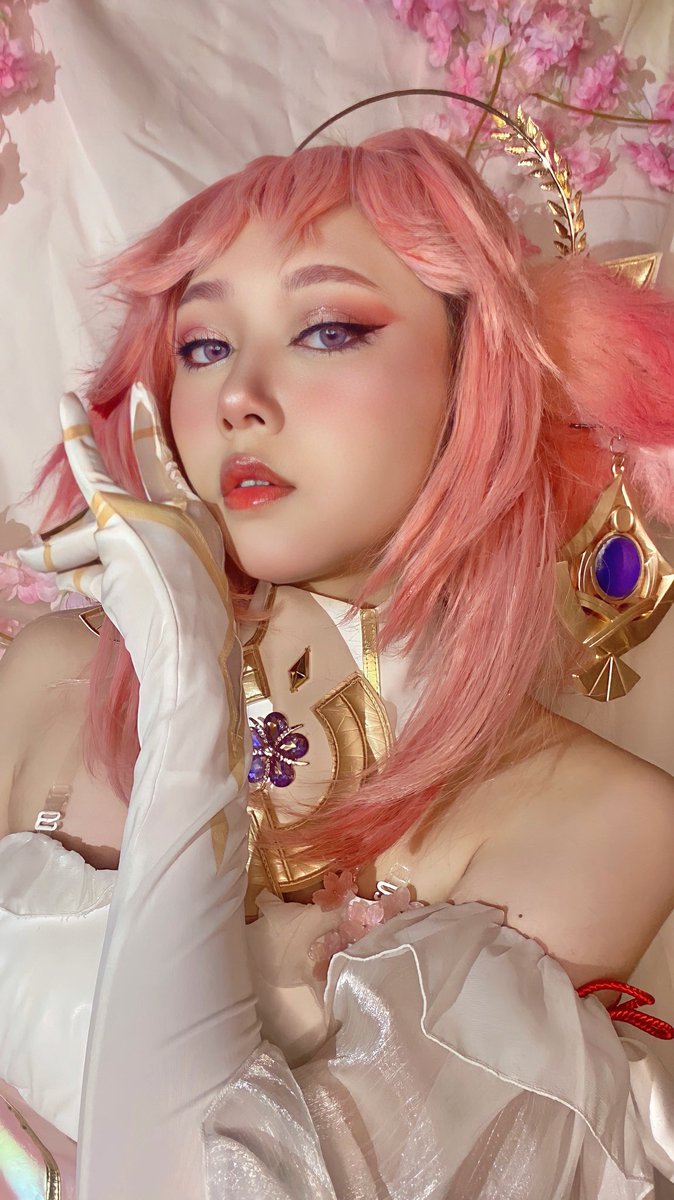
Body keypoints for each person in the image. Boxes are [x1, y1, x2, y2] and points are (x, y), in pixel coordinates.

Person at [1, 126, 674, 1199]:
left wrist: (188, 709)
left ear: (475, 382)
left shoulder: (607, 825)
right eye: (202, 345)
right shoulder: (47, 680)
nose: (238, 395)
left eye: (327, 329)